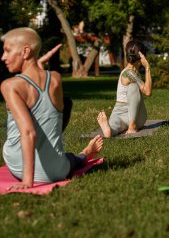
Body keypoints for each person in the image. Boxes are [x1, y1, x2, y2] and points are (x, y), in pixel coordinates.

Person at [0, 27, 103, 189]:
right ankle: (84, 155)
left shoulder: (10, 85)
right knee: (70, 158)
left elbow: (28, 132)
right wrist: (37, 64)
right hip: (58, 170)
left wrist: (28, 180)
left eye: (7, 51)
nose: (3, 57)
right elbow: (38, 88)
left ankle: (83, 155)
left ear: (25, 52)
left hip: (19, 166)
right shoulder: (55, 79)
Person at [97, 40, 152, 137]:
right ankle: (116, 129)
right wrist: (147, 67)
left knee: (133, 86)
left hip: (127, 114)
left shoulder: (130, 72)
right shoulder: (128, 73)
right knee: (112, 128)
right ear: (142, 56)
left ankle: (123, 126)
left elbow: (147, 91)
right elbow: (148, 92)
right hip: (127, 115)